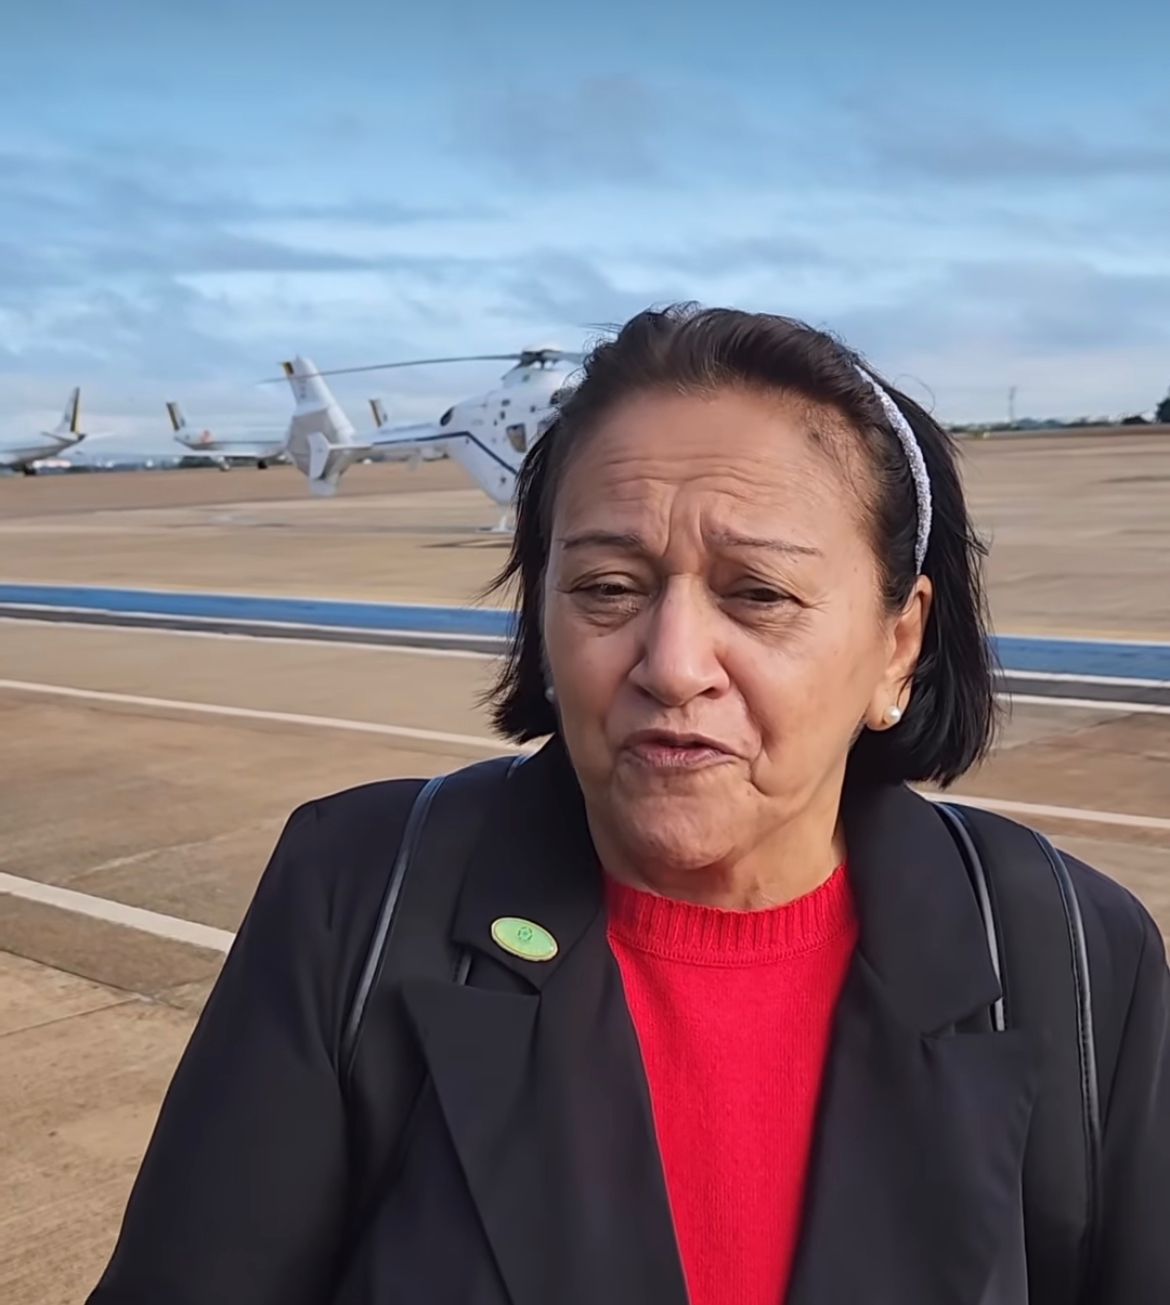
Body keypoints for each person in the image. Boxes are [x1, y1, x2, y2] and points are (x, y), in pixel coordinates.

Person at [88, 305, 1169, 1305]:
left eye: (759, 593)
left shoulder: (1074, 954)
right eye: (607, 588)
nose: (673, 663)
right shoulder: (352, 897)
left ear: (899, 644)